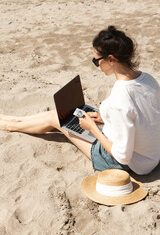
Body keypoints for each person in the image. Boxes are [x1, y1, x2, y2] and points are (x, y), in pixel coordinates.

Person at [0, 25, 160, 175]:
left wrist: (93, 129)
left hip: (126, 163)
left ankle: (10, 124)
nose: (97, 65)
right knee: (67, 115)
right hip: (151, 155)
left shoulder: (121, 96)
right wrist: (105, 118)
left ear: (111, 59)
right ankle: (14, 121)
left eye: (96, 61)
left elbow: (122, 156)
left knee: (57, 118)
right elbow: (143, 115)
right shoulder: (147, 79)